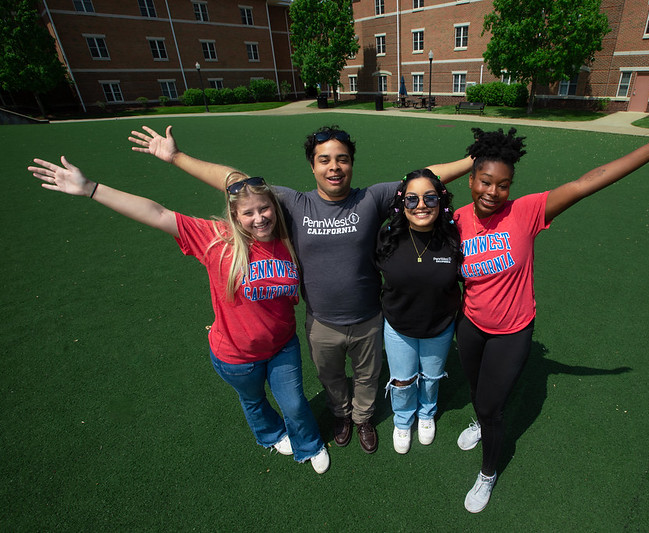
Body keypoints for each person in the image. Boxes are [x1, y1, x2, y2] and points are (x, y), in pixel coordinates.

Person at [128, 125, 472, 453]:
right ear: (312, 166)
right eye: (324, 159)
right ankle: (341, 414)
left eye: (342, 159)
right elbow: (235, 182)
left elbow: (424, 179)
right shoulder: (293, 203)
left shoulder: (371, 198)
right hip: (321, 321)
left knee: (367, 377)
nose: (334, 167)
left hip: (368, 318)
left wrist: (476, 158)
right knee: (332, 376)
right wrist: (176, 157)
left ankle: (363, 418)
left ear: (351, 163)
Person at [452, 116, 649, 513]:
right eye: (485, 182)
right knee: (476, 392)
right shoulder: (456, 221)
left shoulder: (525, 212)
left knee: (492, 407)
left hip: (512, 331)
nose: (493, 191)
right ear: (471, 180)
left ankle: (488, 472)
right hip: (471, 325)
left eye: (503, 184)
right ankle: (479, 421)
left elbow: (588, 182)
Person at [27, 157, 331, 474]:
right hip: (236, 357)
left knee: (294, 403)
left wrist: (177, 155)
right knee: (253, 401)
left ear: (275, 207)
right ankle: (271, 434)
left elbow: (236, 179)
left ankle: (308, 444)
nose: (259, 218)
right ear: (235, 216)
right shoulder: (218, 240)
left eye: (264, 209)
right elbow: (157, 213)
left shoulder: (289, 239)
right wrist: (90, 188)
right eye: (248, 212)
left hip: (282, 346)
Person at [374, 169, 462, 454]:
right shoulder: (387, 235)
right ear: (401, 203)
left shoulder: (453, 236)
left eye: (429, 198)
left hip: (440, 324)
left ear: (441, 201)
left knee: (432, 376)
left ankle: (426, 414)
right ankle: (403, 418)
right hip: (399, 326)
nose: (421, 205)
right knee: (402, 380)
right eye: (411, 199)